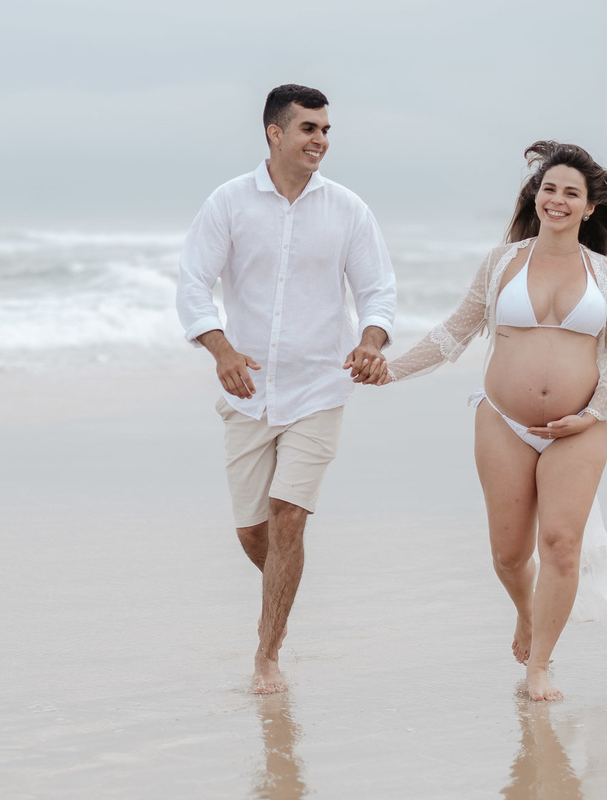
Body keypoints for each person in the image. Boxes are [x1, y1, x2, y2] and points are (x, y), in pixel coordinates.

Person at [375, 141, 607, 701]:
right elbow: (455, 332)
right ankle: (526, 611)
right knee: (509, 555)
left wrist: (591, 414)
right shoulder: (502, 263)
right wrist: (390, 372)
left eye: (571, 193)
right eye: (549, 189)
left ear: (590, 207)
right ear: (535, 196)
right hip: (503, 421)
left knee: (560, 544)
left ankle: (538, 665)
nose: (557, 200)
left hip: (579, 427)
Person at [176, 84, 396, 694]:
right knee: (255, 532)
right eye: (308, 129)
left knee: (288, 519)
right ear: (275, 133)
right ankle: (285, 579)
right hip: (247, 390)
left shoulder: (348, 209)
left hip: (320, 387)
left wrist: (371, 342)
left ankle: (267, 654)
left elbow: (377, 291)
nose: (320, 140)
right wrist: (220, 350)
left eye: (325, 130)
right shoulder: (228, 202)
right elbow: (193, 284)